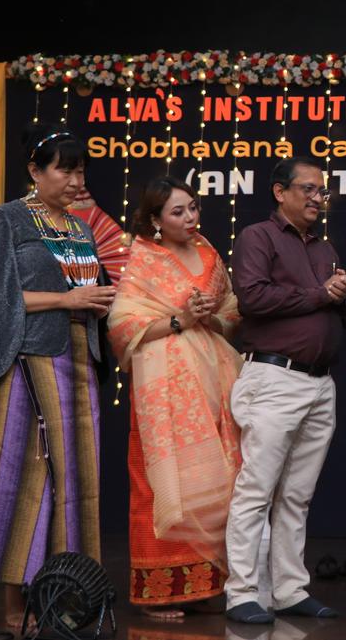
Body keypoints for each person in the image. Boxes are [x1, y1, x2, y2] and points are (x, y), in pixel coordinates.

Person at [0, 123, 116, 627]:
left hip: (79, 356)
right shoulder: (6, 220)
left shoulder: (82, 228)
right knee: (27, 474)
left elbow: (93, 292)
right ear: (34, 170)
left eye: (81, 170)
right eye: (64, 169)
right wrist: (67, 299)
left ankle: (68, 596)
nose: (75, 180)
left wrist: (99, 303)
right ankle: (12, 607)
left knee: (80, 478)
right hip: (29, 357)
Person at [224, 156, 346, 624]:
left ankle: (289, 589)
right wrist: (321, 295)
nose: (317, 199)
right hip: (273, 378)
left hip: (321, 383)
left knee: (297, 495)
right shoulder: (257, 238)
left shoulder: (323, 248)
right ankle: (241, 591)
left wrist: (344, 294)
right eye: (308, 189)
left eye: (322, 191)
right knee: (256, 490)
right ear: (280, 192)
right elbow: (252, 298)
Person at [108, 177, 242, 617]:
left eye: (193, 208)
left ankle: (204, 586)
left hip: (214, 377)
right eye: (178, 212)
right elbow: (124, 324)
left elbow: (231, 312)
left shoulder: (208, 253)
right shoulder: (144, 258)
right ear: (155, 221)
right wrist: (182, 319)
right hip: (162, 385)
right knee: (164, 481)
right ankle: (158, 593)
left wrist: (212, 317)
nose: (191, 218)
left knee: (215, 479)